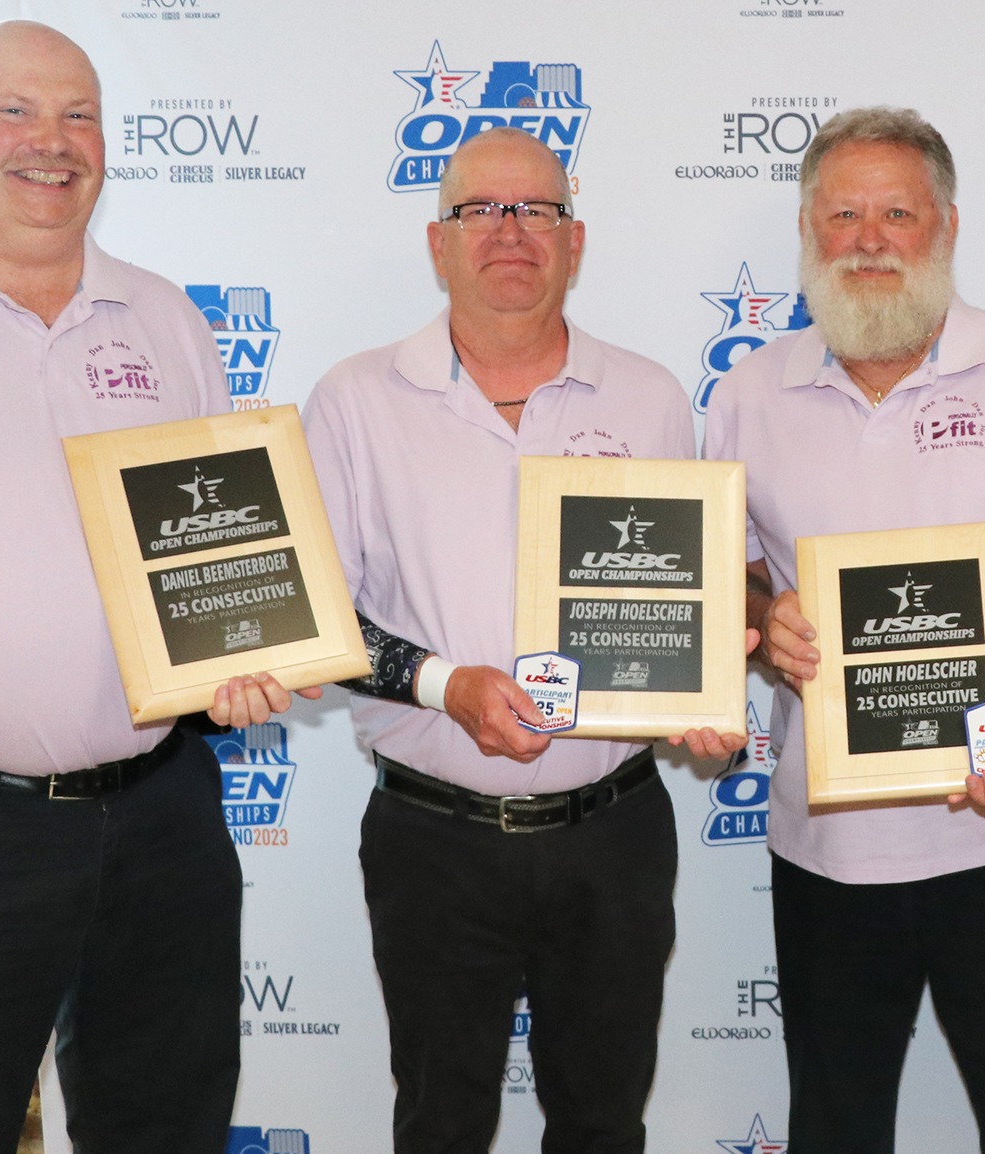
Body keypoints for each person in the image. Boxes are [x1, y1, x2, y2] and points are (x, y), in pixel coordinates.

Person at [0, 21, 305, 1154]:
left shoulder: (165, 316)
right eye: (15, 109)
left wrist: (237, 649)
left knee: (165, 1128)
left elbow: (215, 548)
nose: (52, 141)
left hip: (163, 816)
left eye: (79, 115)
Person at [702, 106, 985, 1154]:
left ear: (943, 226)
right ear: (807, 231)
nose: (867, 237)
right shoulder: (749, 391)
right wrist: (769, 621)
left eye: (895, 211)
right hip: (830, 850)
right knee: (835, 1128)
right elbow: (732, 585)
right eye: (841, 213)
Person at [302, 126, 725, 1154]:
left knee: (601, 1121)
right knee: (441, 1121)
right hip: (433, 840)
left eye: (536, 210)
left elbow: (686, 602)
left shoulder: (651, 397)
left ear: (573, 241)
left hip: (613, 834)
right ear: (436, 242)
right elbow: (317, 620)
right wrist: (447, 685)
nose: (509, 232)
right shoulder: (355, 400)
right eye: (479, 211)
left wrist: (703, 698)